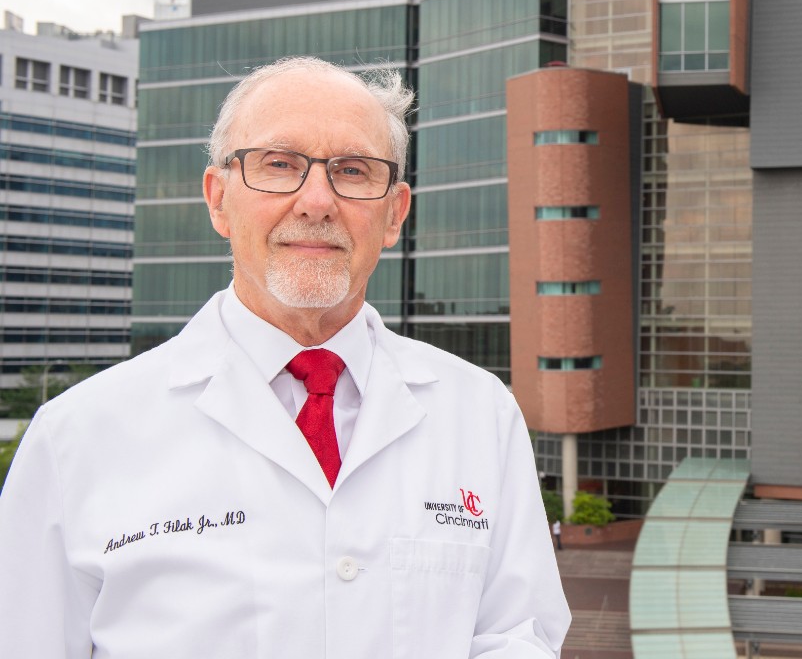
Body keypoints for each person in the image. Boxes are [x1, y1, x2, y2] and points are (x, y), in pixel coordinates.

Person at [0, 57, 571, 657]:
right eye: (279, 165)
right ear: (219, 199)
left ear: (395, 213)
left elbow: (520, 636)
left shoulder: (480, 413)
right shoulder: (76, 438)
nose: (316, 201)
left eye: (352, 170)